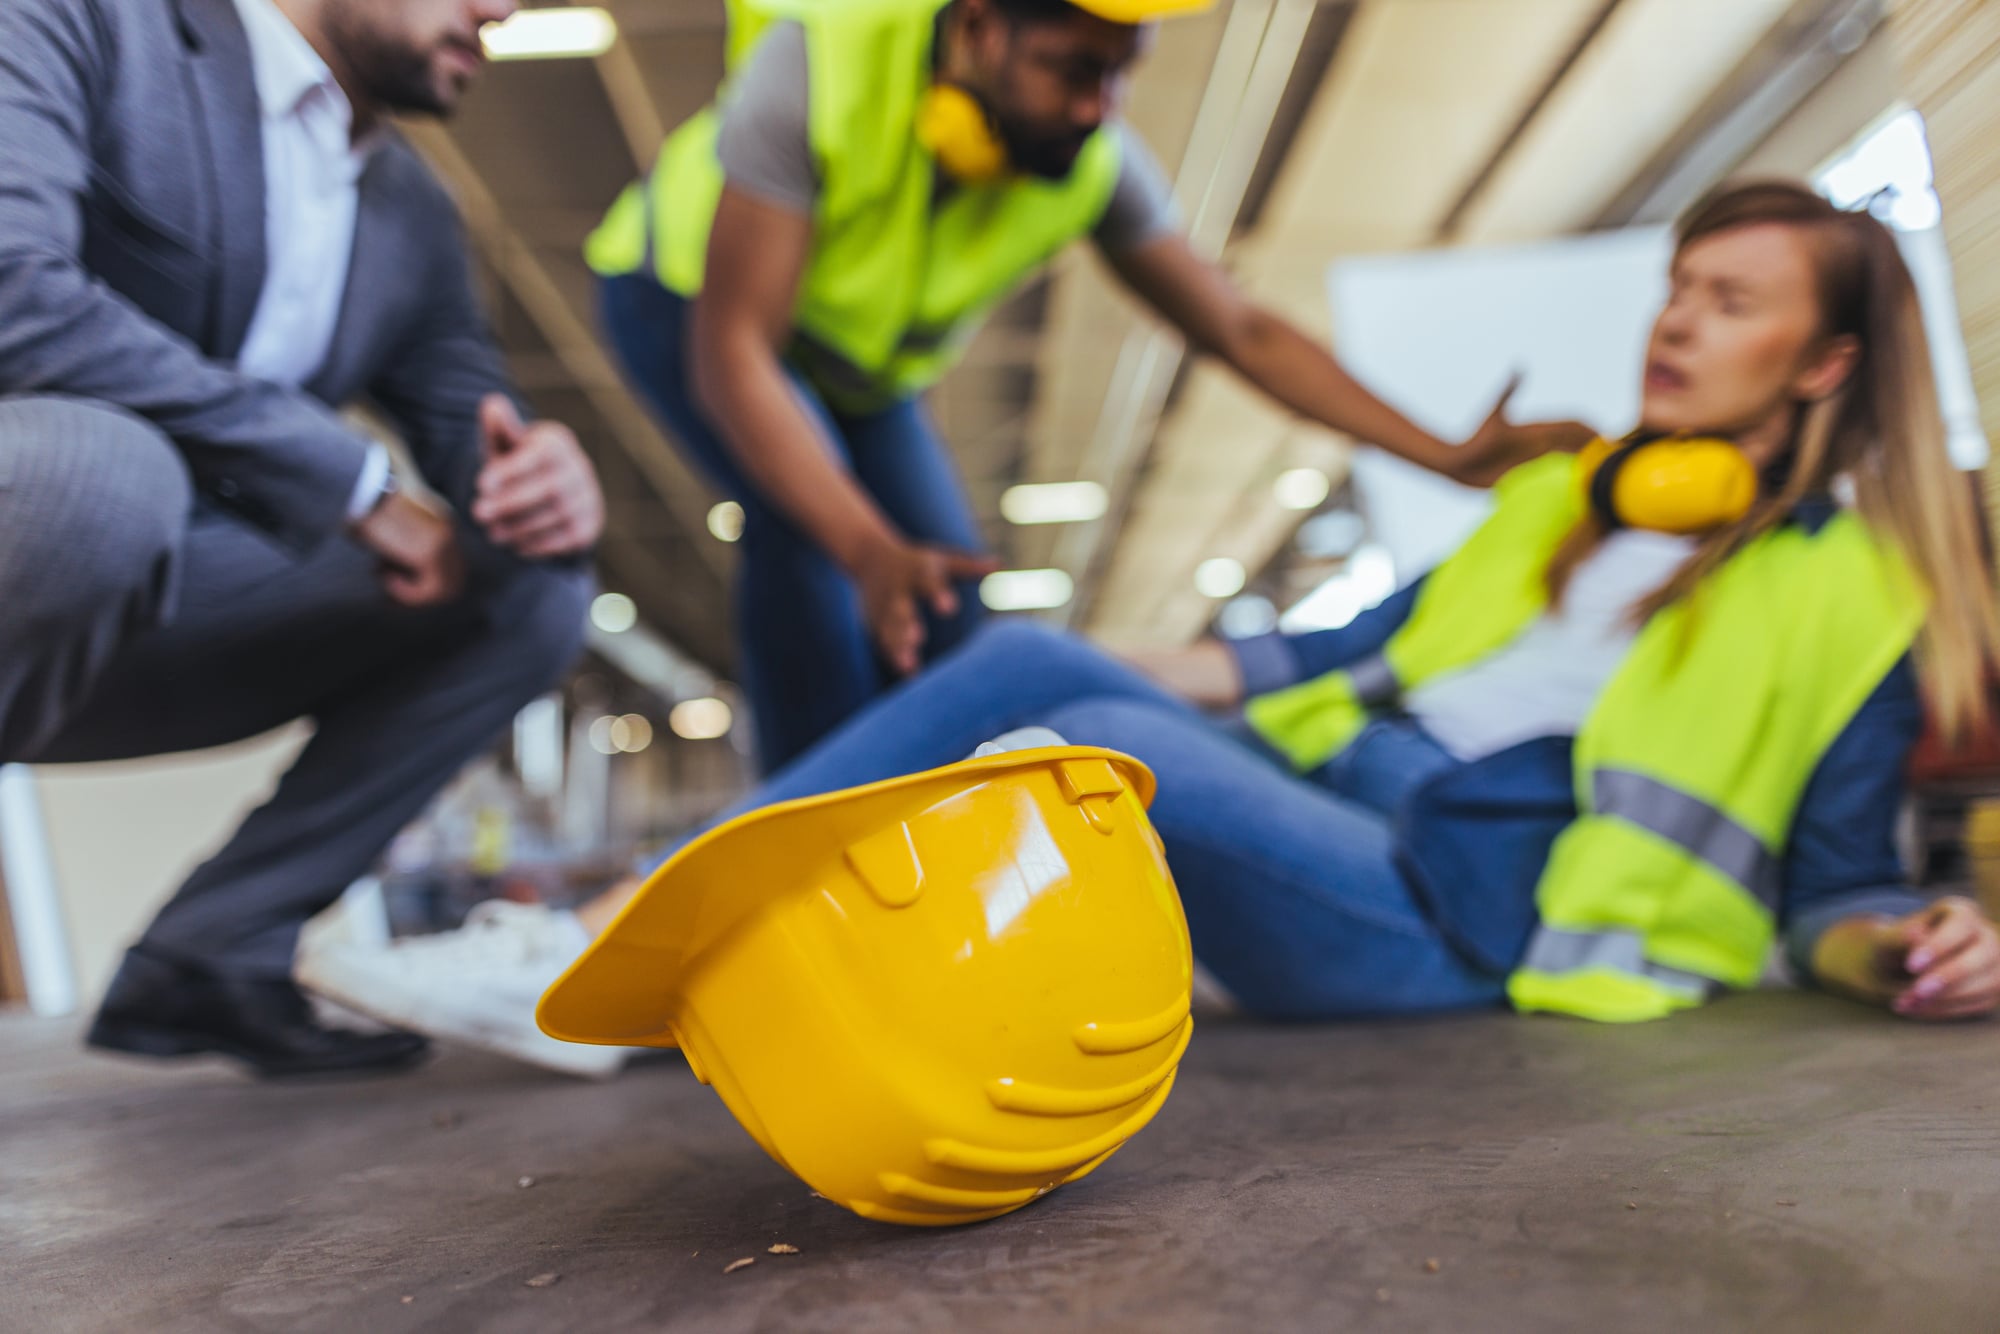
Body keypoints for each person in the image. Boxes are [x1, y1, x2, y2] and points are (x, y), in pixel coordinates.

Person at [304, 179, 2000, 1074]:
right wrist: (1028, 665)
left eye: (1730, 300)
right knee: (1040, 676)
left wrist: (1911, 946)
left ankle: (613, 952)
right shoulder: (1567, 504)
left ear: (1827, 359)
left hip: (1467, 922)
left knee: (1069, 715)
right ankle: (657, 953)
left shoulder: (1859, 596)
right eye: (1677, 288)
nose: (1676, 324)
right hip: (1356, 801)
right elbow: (1312, 663)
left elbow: (1839, 880)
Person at [586, 0, 1591, 774]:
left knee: (950, 598)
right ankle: (804, 835)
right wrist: (865, 545)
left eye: (1116, 76)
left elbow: (1239, 327)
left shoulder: (1095, 165)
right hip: (688, 304)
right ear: (979, 27)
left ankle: (936, 833)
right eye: (1072, 69)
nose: (1094, 107)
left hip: (859, 367)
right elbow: (736, 357)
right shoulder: (816, 68)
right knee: (808, 531)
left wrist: (1447, 452)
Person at [0, 0, 606, 1076]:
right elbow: (14, 290)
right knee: (108, 477)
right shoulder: (87, 22)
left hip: (152, 610)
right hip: (47, 526)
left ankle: (215, 949)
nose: (502, 11)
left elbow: (475, 423)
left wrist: (543, 480)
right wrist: (351, 479)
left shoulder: (410, 206)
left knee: (532, 585)